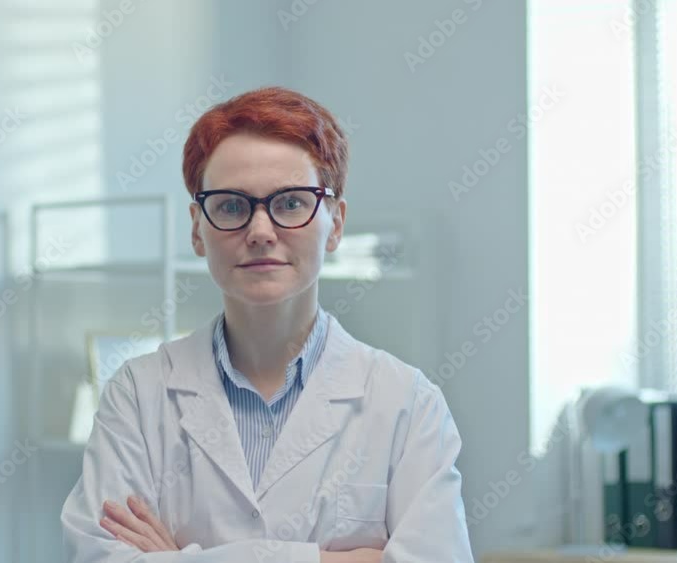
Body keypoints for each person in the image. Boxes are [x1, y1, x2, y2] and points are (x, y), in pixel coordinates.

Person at [60, 86, 474, 563]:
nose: (260, 232)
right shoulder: (138, 394)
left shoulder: (407, 404)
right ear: (198, 229)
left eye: (292, 204)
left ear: (335, 224)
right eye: (232, 206)